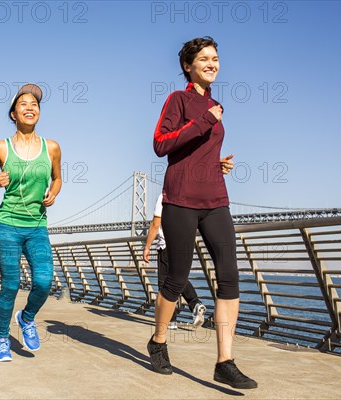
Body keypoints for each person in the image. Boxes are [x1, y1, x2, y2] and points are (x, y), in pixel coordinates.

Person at [149, 37, 257, 389]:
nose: (212, 63)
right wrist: (202, 123)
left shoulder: (216, 105)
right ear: (188, 66)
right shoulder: (178, 100)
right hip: (180, 200)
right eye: (204, 59)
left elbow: (200, 149)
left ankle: (225, 361)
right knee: (177, 277)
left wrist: (216, 163)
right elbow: (161, 144)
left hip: (216, 199)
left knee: (229, 276)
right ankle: (159, 341)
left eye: (215, 58)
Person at [0, 83, 62, 362]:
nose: (30, 108)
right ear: (13, 114)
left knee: (43, 280)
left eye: (35, 104)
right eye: (23, 104)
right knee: (11, 285)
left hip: (37, 226)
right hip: (9, 224)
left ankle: (26, 318)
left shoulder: (51, 147)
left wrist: (55, 192)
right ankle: (1, 338)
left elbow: (58, 178)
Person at [143, 193, 207, 330]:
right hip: (184, 245)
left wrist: (147, 247)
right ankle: (195, 305)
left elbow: (155, 224)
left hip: (166, 246)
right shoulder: (187, 196)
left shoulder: (164, 196)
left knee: (164, 283)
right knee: (178, 278)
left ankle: (170, 320)